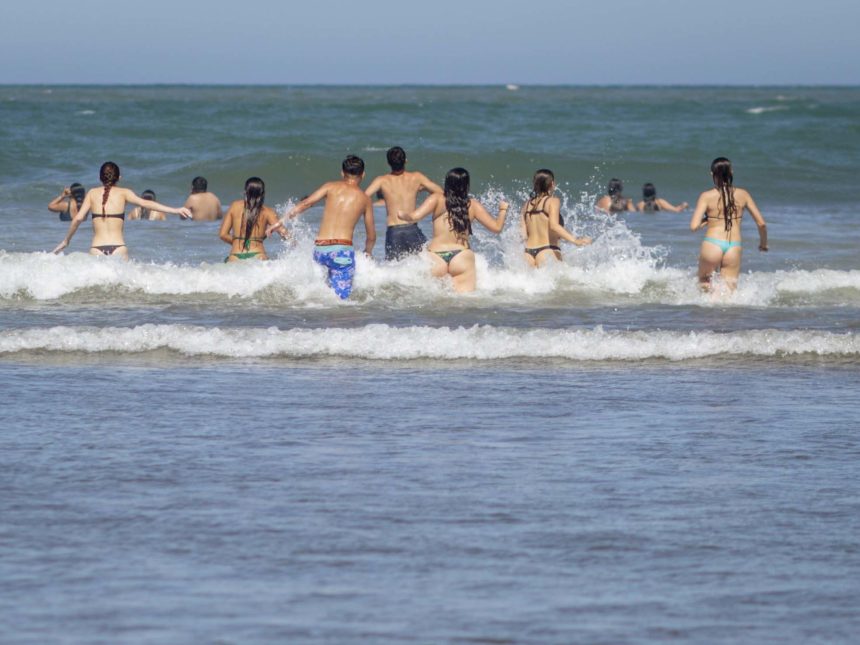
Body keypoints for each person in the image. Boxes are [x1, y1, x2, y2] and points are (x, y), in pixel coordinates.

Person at [269, 155, 376, 299]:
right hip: (341, 253)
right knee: (340, 301)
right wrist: (368, 252)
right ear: (363, 174)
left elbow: (306, 203)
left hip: (320, 250)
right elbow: (371, 236)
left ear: (342, 173)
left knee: (321, 296)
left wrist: (280, 221)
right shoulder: (365, 199)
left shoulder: (329, 187)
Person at [52, 161, 191, 259]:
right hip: (119, 249)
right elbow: (146, 204)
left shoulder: (92, 193)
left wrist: (66, 241)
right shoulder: (125, 192)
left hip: (96, 250)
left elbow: (78, 219)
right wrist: (176, 210)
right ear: (119, 177)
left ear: (100, 178)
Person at [399, 167, 507, 293]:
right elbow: (496, 228)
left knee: (434, 303)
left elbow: (414, 217)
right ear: (466, 185)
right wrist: (502, 210)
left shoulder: (437, 199)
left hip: (435, 256)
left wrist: (403, 215)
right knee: (464, 302)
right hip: (461, 256)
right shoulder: (473, 205)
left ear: (447, 183)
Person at [690, 157, 768, 291]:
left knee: (704, 282)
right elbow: (761, 224)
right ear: (731, 172)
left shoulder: (706, 196)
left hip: (712, 244)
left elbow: (693, 226)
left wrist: (707, 219)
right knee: (728, 290)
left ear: (712, 174)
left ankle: (705, 311)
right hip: (734, 246)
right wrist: (763, 244)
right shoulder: (743, 194)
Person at [363, 146, 443, 261]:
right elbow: (440, 192)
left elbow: (363, 197)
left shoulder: (382, 180)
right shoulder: (417, 177)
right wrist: (423, 189)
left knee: (394, 269)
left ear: (388, 163)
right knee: (428, 263)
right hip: (412, 230)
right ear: (405, 160)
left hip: (394, 232)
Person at [521, 169, 592, 267]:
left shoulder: (526, 205)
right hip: (546, 251)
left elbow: (523, 234)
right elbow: (554, 226)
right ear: (552, 183)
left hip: (527, 253)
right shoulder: (552, 201)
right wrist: (575, 241)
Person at [219, 177, 286, 262]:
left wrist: (238, 242)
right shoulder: (268, 211)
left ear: (245, 191)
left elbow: (223, 234)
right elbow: (284, 233)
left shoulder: (234, 206)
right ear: (263, 194)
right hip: (258, 255)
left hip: (235, 256)